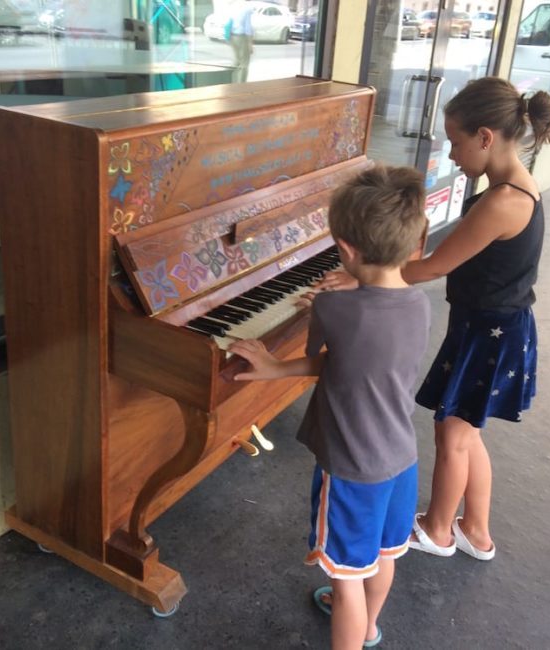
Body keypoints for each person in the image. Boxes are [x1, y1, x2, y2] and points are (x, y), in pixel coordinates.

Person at [317, 76, 550, 561]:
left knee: (451, 434)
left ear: (485, 137)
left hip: (490, 332)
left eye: (455, 142)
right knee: (468, 431)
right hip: (496, 327)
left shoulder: (503, 201)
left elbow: (434, 266)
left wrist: (364, 271)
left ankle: (440, 530)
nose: (451, 156)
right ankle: (477, 530)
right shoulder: (513, 184)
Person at [229, 164, 430, 650]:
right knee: (383, 558)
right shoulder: (421, 303)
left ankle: (352, 634)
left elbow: (319, 358)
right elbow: (353, 363)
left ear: (345, 249)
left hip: (350, 469)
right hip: (400, 460)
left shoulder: (334, 308)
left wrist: (275, 357)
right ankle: (370, 629)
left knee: (345, 584)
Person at [228, 0, 254, 83]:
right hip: (242, 37)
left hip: (232, 36)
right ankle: (241, 86)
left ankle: (232, 83)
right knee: (244, 64)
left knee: (236, 61)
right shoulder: (247, 7)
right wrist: (250, 43)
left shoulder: (234, 5)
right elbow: (248, 27)